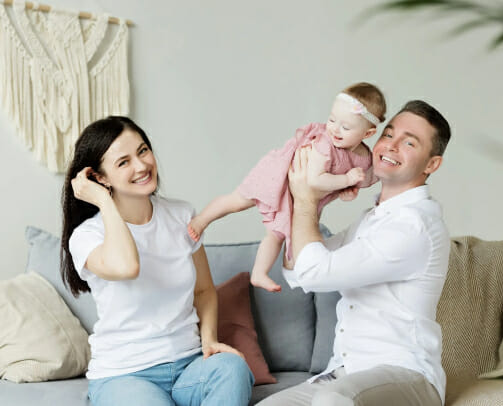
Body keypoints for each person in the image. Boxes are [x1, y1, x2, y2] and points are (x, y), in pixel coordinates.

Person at [258, 100, 452, 406]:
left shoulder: (414, 225)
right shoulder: (371, 219)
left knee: (335, 401)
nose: (391, 145)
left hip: (406, 376)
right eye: (388, 135)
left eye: (409, 142)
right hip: (345, 374)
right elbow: (297, 271)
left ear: (431, 164)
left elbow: (316, 272)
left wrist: (306, 199)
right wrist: (315, 200)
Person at [60, 116, 254, 406]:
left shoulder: (182, 215)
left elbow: (203, 290)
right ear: (100, 178)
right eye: (123, 162)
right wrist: (103, 202)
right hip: (125, 375)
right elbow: (127, 266)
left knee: (233, 368)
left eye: (142, 151)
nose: (141, 166)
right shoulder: (87, 236)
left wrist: (210, 340)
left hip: (189, 366)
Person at [188, 82, 385, 292]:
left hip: (298, 196)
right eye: (332, 119)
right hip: (278, 175)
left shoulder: (364, 158)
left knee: (276, 234)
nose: (334, 128)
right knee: (238, 201)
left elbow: (364, 179)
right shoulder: (324, 144)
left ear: (368, 134)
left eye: (345, 127)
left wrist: (347, 190)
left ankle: (258, 273)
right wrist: (345, 180)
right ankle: (201, 220)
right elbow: (315, 180)